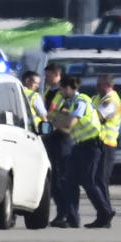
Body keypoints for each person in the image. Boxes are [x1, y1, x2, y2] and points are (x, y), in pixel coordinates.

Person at [49, 75, 113, 229]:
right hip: (79, 146)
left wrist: (56, 120)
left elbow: (71, 122)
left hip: (91, 146)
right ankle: (72, 218)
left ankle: (105, 213)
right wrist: (57, 121)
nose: (60, 93)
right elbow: (66, 124)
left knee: (89, 182)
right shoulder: (71, 103)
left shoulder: (81, 100)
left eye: (62, 90)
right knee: (69, 181)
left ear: (68, 88)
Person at [41, 63, 73, 227]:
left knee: (60, 178)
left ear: (56, 74)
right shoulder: (49, 91)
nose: (45, 78)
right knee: (52, 179)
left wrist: (51, 121)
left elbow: (66, 117)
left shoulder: (64, 94)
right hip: (50, 138)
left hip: (62, 139)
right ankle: (62, 213)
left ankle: (65, 214)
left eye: (48, 74)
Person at [94, 73, 121, 216]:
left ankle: (106, 211)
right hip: (99, 144)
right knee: (97, 179)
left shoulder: (111, 101)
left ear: (108, 85)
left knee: (101, 179)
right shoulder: (99, 98)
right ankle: (105, 211)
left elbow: (97, 117)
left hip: (107, 144)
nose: (97, 86)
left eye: (99, 84)